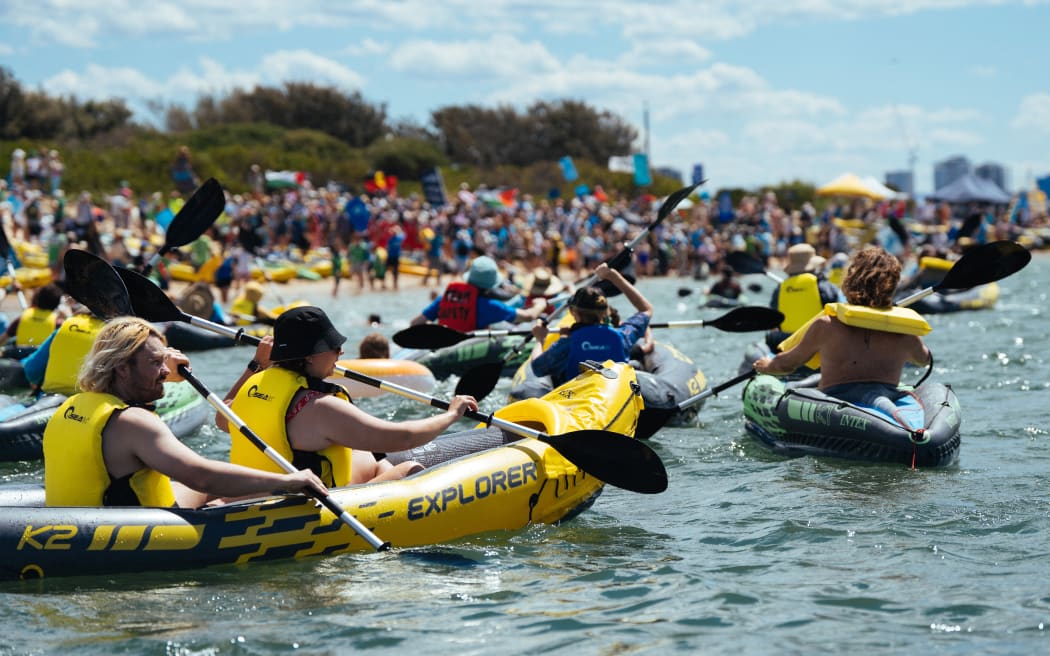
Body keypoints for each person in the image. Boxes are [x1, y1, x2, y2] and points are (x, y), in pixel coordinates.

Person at [42, 317, 326, 508]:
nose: (165, 370)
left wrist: (159, 372)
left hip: (83, 523)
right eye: (156, 363)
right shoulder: (133, 423)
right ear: (123, 369)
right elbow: (200, 476)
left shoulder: (72, 405)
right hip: (132, 536)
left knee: (224, 488)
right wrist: (288, 481)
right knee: (263, 489)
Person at [219, 306, 479, 485]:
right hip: (308, 505)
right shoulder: (320, 407)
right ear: (310, 355)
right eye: (334, 347)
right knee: (411, 469)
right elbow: (402, 438)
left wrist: (255, 365)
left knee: (369, 459)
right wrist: (451, 415)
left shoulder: (254, 385)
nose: (340, 353)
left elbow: (223, 418)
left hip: (253, 493)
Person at [754, 247, 932, 422]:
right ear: (892, 285)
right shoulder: (903, 331)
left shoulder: (827, 325)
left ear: (850, 279)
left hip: (834, 402)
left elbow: (787, 365)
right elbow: (924, 359)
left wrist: (768, 365)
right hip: (886, 397)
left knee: (794, 387)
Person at [528, 262, 653, 387]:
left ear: (572, 312)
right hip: (614, 397)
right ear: (606, 312)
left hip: (580, 399)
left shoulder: (567, 344)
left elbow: (537, 369)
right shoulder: (622, 336)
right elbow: (646, 310)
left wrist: (540, 339)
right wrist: (614, 277)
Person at [409, 255, 546, 330]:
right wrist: (540, 304)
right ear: (491, 284)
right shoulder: (489, 306)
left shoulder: (446, 297)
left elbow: (415, 323)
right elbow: (528, 316)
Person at [765, 243, 841, 351]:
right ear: (814, 265)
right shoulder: (823, 285)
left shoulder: (780, 289)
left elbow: (773, 319)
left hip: (788, 344)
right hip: (818, 344)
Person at [0, 283, 63, 351]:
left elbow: (2, 340)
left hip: (19, 358)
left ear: (37, 299)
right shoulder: (58, 323)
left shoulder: (21, 319)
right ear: (57, 303)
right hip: (43, 359)